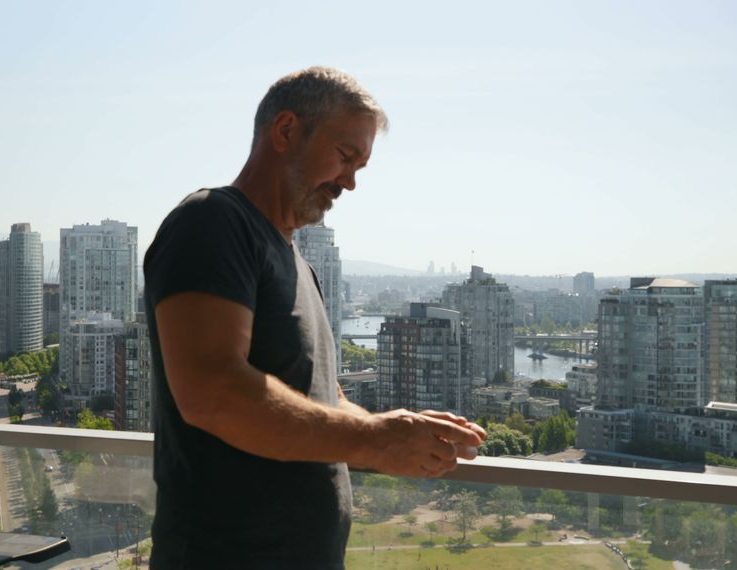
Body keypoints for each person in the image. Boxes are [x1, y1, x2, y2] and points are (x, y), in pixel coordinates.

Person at [144, 66, 486, 569]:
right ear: (286, 131)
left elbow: (324, 400)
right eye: (345, 157)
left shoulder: (299, 264)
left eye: (359, 168)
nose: (349, 183)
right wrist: (374, 441)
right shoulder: (212, 221)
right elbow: (212, 392)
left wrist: (400, 433)